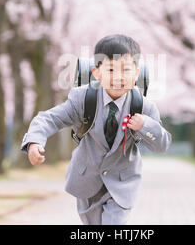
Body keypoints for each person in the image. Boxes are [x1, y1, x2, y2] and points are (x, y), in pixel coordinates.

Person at [21, 34, 172, 225]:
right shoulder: (83, 100)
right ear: (97, 73)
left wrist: (146, 126)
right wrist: (34, 141)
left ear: (136, 73)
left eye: (126, 70)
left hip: (122, 183)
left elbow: (161, 145)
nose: (118, 77)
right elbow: (50, 119)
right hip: (87, 182)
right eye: (110, 69)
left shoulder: (144, 107)